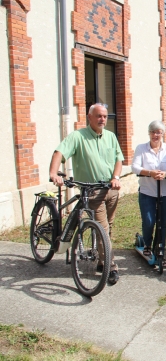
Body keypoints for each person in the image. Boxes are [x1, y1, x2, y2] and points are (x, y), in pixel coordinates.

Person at [49, 103, 123, 285]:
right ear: (89, 117)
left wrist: (116, 177)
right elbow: (59, 152)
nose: (102, 119)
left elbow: (119, 159)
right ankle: (110, 266)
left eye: (105, 116)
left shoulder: (111, 137)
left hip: (111, 189)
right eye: (98, 116)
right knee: (103, 229)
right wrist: (53, 172)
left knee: (108, 227)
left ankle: (102, 260)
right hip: (92, 192)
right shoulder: (78, 137)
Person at [131, 120, 166, 267]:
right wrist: (150, 172)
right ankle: (147, 244)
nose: (155, 135)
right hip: (147, 192)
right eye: (153, 132)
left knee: (162, 223)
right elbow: (135, 167)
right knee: (149, 221)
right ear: (149, 133)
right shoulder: (141, 148)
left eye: (158, 132)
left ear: (163, 134)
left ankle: (161, 251)